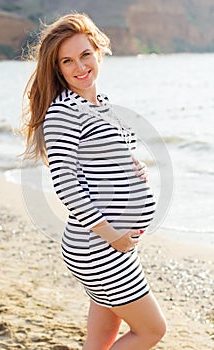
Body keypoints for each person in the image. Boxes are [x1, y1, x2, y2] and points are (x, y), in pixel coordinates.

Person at [21, 12, 166, 350]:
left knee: (101, 341)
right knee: (152, 330)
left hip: (111, 245)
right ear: (57, 69)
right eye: (67, 61)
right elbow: (67, 184)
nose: (79, 66)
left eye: (85, 54)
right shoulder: (63, 112)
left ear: (98, 51)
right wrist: (112, 236)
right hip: (100, 247)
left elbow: (99, 161)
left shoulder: (101, 104)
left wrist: (133, 170)